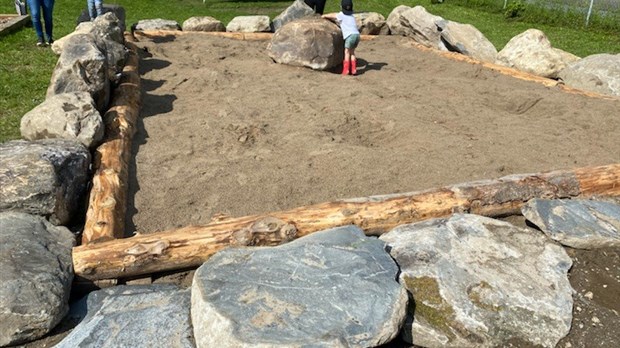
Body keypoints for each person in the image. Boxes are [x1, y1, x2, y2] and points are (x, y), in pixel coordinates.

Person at [322, 0, 360, 75]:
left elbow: (333, 15)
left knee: (347, 52)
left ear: (341, 7)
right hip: (357, 35)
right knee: (352, 52)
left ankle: (346, 70)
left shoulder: (341, 15)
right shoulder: (352, 16)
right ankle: (353, 69)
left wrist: (324, 16)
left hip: (350, 36)